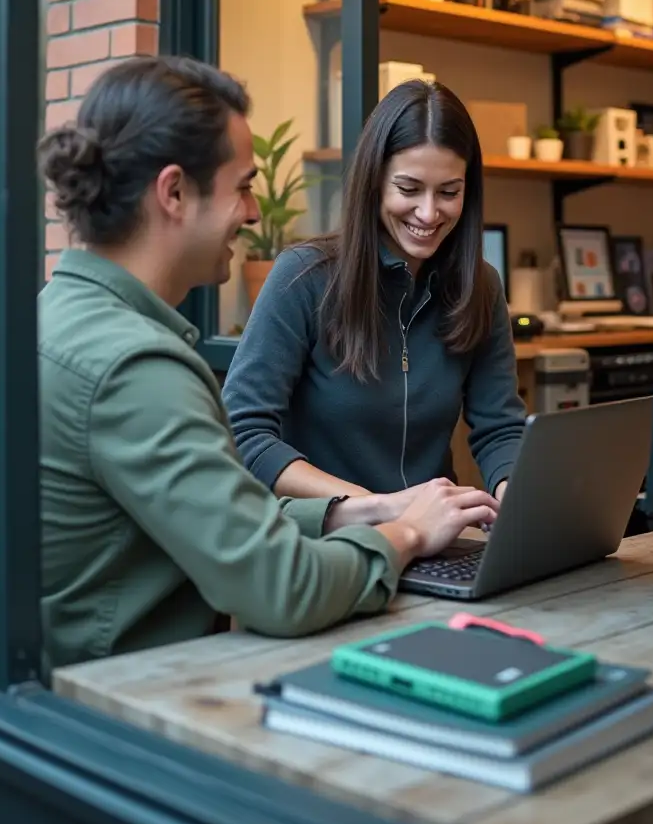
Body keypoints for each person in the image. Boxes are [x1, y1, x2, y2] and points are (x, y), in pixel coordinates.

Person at [0, 57, 497, 672]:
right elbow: (284, 587)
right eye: (243, 186)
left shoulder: (50, 319)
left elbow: (217, 514)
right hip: (95, 713)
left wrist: (367, 510)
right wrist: (410, 535)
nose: (254, 213)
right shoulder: (135, 368)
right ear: (175, 192)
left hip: (30, 695)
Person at [225, 79, 526, 505]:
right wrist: (377, 508)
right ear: (375, 181)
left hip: (433, 544)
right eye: (408, 189)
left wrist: (515, 501)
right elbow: (244, 434)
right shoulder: (303, 277)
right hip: (324, 544)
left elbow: (501, 428)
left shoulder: (481, 287)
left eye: (448, 193)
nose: (428, 212)